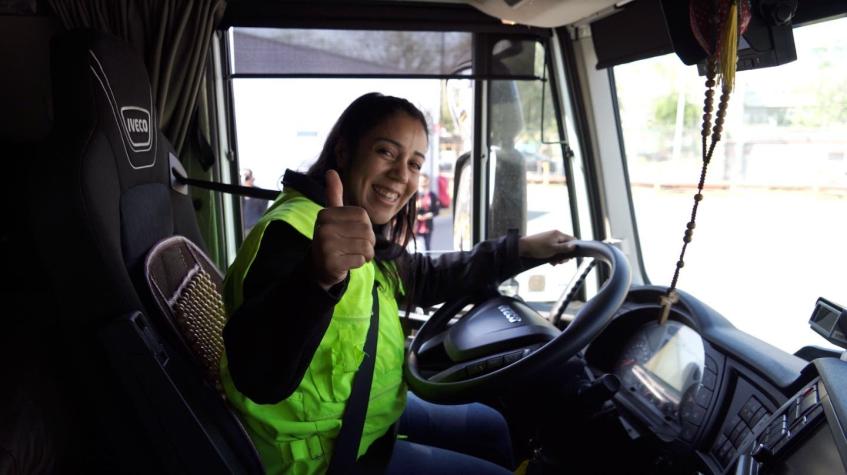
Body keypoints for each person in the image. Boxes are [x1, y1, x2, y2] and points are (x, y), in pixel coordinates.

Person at [220, 92, 575, 474]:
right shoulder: (292, 232)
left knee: (491, 427)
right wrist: (316, 279)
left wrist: (519, 250)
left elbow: (423, 276)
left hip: (367, 414)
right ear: (344, 151)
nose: (401, 175)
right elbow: (258, 376)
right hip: (322, 457)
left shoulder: (360, 228)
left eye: (415, 163)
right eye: (386, 152)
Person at [414, 173, 440, 251]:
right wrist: (416, 215)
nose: (423, 183)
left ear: (428, 181)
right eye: (421, 181)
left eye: (425, 181)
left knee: (427, 247)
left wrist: (429, 215)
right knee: (415, 247)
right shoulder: (414, 195)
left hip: (427, 226)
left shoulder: (432, 195)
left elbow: (436, 211)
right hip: (415, 226)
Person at [240, 168, 270, 234]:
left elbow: (263, 210)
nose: (246, 179)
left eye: (247, 176)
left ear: (252, 178)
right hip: (241, 228)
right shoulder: (237, 193)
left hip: (255, 228)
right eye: (244, 177)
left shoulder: (259, 193)